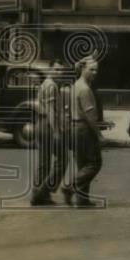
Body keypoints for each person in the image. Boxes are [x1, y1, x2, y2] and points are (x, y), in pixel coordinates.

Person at [61, 56, 103, 207]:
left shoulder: (75, 86)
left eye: (97, 70)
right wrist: (99, 134)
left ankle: (82, 200)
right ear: (83, 69)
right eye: (91, 69)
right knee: (94, 164)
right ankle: (69, 187)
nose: (95, 73)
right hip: (84, 129)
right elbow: (90, 115)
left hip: (75, 127)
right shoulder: (85, 89)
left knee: (82, 164)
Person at [30, 67, 67, 205]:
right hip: (48, 126)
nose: (60, 72)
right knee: (63, 159)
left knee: (44, 163)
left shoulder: (45, 83)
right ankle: (42, 193)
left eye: (61, 70)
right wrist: (56, 131)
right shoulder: (51, 85)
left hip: (41, 123)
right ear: (49, 70)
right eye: (56, 69)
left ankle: (38, 194)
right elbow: (51, 110)